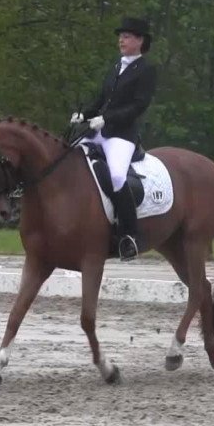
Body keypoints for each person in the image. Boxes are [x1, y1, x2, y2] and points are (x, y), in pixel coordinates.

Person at [71, 16, 157, 261]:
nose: (121, 39)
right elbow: (101, 99)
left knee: (117, 176)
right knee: (69, 157)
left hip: (122, 135)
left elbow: (138, 106)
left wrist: (107, 119)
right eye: (121, 36)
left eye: (127, 36)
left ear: (140, 41)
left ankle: (129, 235)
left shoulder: (147, 70)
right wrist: (84, 114)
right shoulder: (116, 66)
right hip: (99, 131)